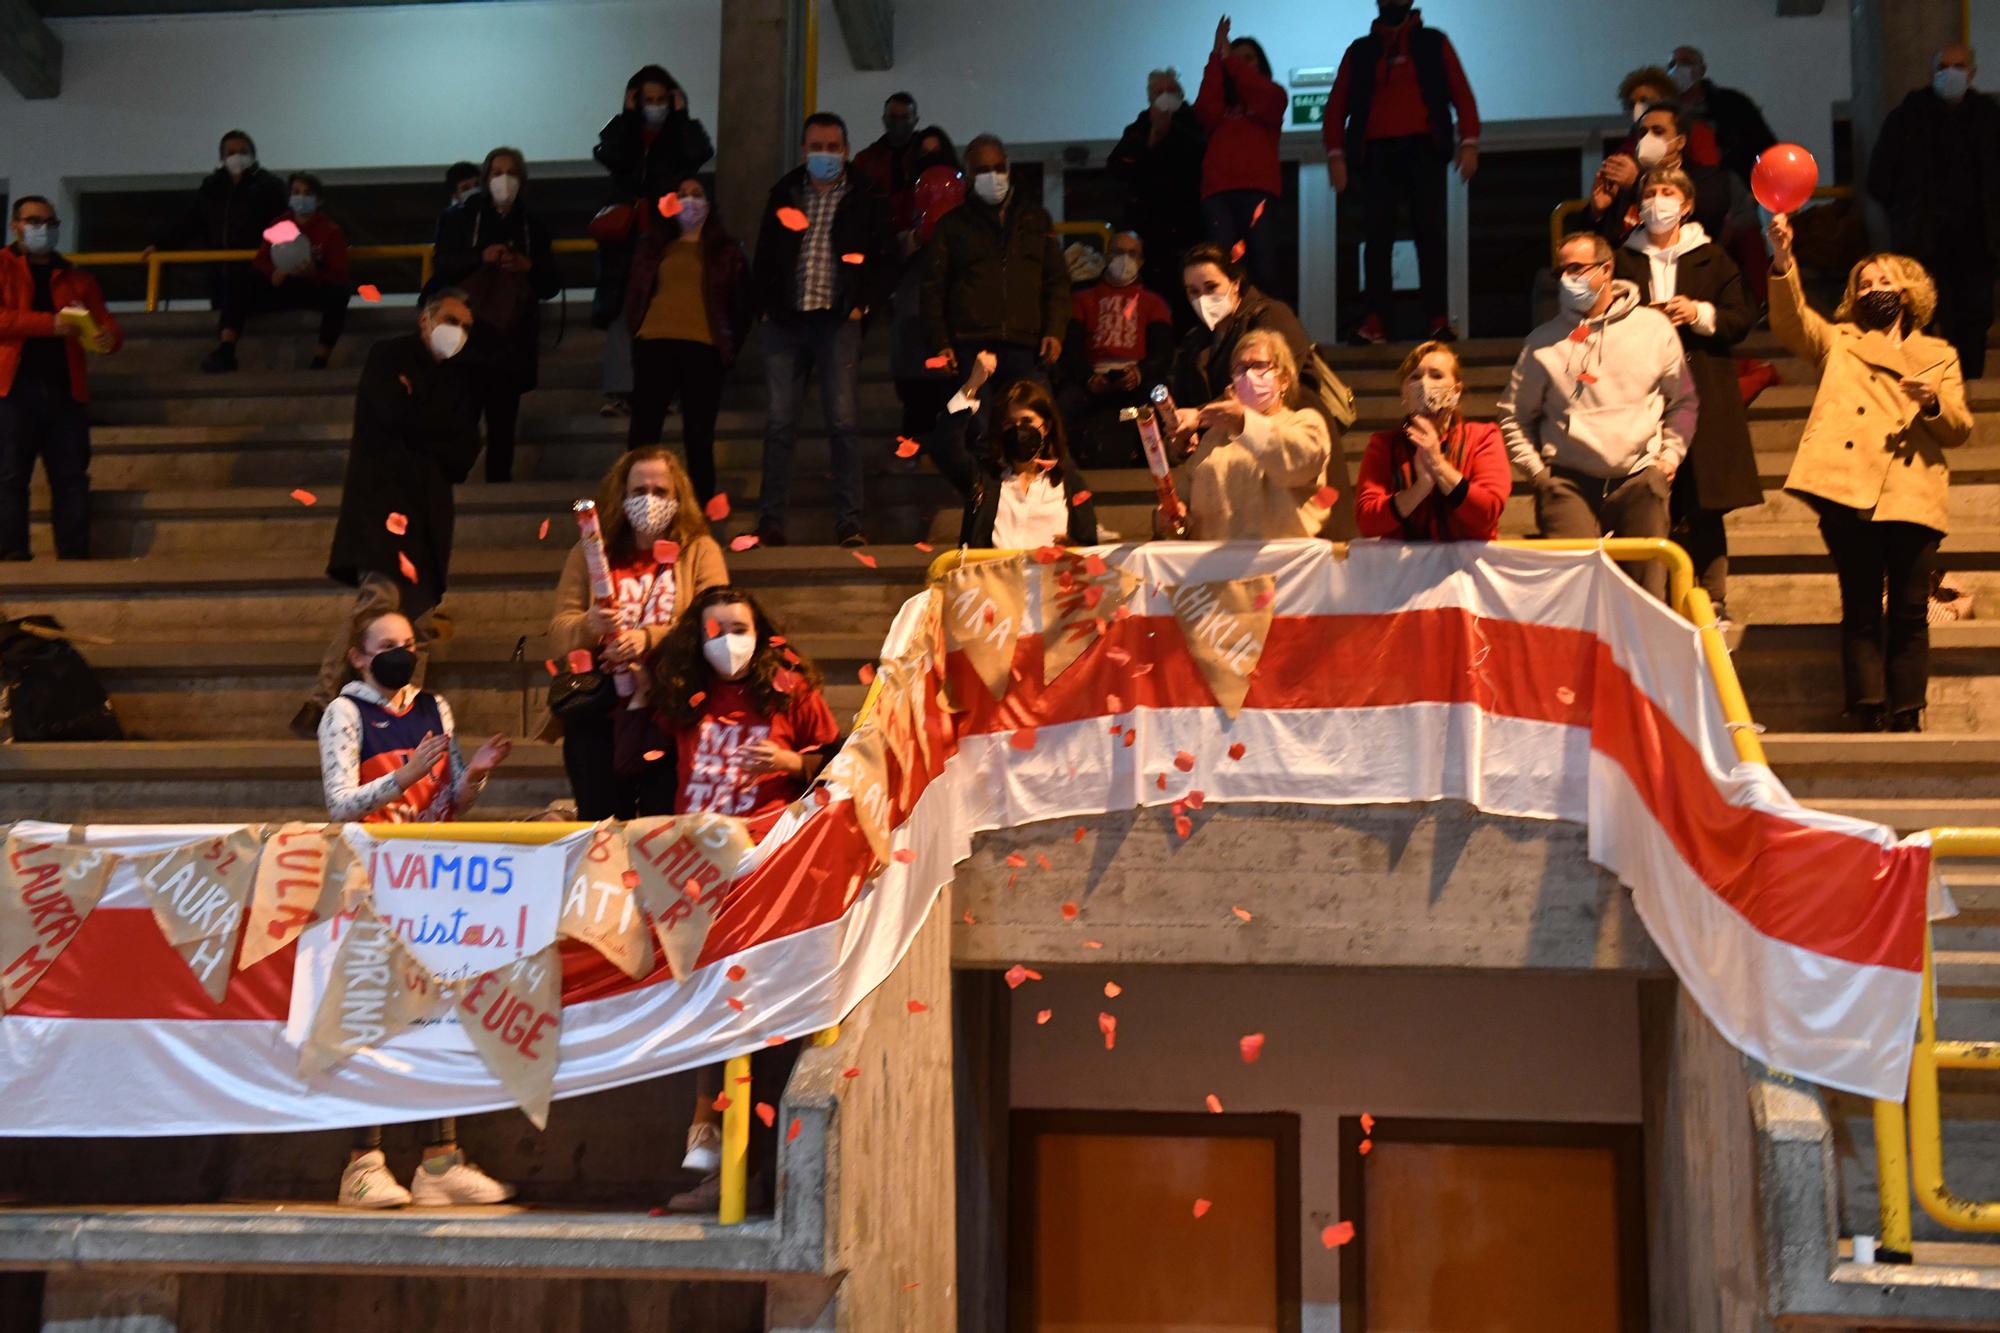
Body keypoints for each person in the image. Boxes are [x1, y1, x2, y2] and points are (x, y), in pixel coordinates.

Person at [614, 586, 840, 1214]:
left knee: (755, 1020)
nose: (726, 639)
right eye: (713, 629)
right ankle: (708, 1139)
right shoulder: (687, 689)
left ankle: (745, 1169)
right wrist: (634, 696)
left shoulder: (790, 686)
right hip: (697, 872)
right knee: (709, 1008)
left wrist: (791, 760)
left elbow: (842, 761)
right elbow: (631, 760)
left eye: (738, 627)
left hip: (768, 871)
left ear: (760, 630)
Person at [320, 606, 515, 1210]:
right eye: (386, 645)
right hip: (369, 880)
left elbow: (447, 805)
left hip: (432, 878)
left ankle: (440, 1160)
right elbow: (340, 804)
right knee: (374, 1013)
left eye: (407, 643)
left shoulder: (435, 709)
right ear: (359, 655)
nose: (400, 653)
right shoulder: (344, 713)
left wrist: (473, 778)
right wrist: (404, 775)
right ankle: (363, 1162)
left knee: (441, 1015)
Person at [1767, 213, 1972, 731]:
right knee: (1859, 604)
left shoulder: (1938, 353)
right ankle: (1865, 706)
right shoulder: (1838, 339)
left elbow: (1959, 427)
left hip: (1911, 487)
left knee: (1908, 609)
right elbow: (1793, 321)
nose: (1874, 289)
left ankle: (1906, 709)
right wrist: (1784, 260)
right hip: (1846, 485)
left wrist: (1930, 405)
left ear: (1907, 292)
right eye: (1865, 283)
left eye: (1885, 281)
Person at [293, 290, 482, 737]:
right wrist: (433, 426)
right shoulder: (389, 356)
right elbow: (389, 416)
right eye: (452, 320)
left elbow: (464, 453)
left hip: (431, 513)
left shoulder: (459, 380)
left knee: (417, 616)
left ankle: (404, 710)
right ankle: (321, 701)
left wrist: (421, 417)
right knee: (379, 601)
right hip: (385, 502)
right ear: (425, 320)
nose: (459, 332)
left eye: (467, 326)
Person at [1497, 231, 1697, 601]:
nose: (1567, 279)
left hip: (1639, 479)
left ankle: (1642, 661)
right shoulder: (1542, 341)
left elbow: (1683, 401)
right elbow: (1513, 416)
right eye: (1561, 272)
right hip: (1569, 482)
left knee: (1646, 597)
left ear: (1606, 270)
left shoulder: (1654, 329)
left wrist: (1667, 460)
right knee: (1572, 599)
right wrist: (1540, 476)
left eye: (1577, 268)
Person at [546, 447, 728, 819]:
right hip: (600, 713)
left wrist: (649, 638)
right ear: (622, 496)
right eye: (638, 491)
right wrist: (589, 625)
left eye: (660, 492)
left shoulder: (699, 550)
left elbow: (716, 624)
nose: (649, 500)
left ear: (678, 498)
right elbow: (558, 633)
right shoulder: (590, 551)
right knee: (601, 829)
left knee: (661, 830)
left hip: (671, 710)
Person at [1613, 168, 1759, 622]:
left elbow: (1741, 318)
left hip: (1704, 389)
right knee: (1648, 498)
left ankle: (1711, 598)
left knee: (1706, 500)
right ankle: (1652, 600)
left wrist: (1698, 312)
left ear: (1688, 204)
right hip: (1640, 394)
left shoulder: (1713, 258)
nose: (1659, 200)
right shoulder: (1621, 260)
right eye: (1650, 193)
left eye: (1668, 193)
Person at [750, 112, 893, 548]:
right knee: (779, 424)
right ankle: (770, 522)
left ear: (846, 150)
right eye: (817, 146)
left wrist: (861, 304)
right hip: (787, 320)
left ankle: (850, 522)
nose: (824, 154)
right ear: (803, 149)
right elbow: (766, 253)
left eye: (832, 147)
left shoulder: (866, 194)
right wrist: (766, 306)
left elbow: (884, 257)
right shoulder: (786, 190)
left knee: (844, 422)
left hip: (838, 319)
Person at [1323, 0, 1481, 345]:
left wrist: (1469, 142)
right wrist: (1336, 156)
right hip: (1376, 154)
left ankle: (1437, 319)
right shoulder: (1361, 50)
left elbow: (1461, 94)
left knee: (1429, 234)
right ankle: (1376, 321)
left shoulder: (1433, 42)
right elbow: (1336, 107)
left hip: (1424, 149)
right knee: (1376, 239)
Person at [1866, 44, 2000, 379]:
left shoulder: (1989, 119)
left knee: (1972, 323)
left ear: (1972, 73)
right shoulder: (1908, 118)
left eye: (1959, 66)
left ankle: (1966, 391)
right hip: (1922, 244)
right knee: (1919, 321)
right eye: (1943, 66)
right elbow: (1879, 179)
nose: (1950, 73)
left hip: (1977, 245)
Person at [0, 197, 122, 562]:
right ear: (15, 226)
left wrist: (107, 338)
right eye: (33, 220)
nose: (43, 228)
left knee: (71, 480)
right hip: (11, 389)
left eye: (50, 222)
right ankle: (12, 556)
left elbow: (108, 325)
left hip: (65, 392)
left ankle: (73, 558)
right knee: (9, 477)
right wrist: (49, 324)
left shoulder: (77, 277)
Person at [431, 147, 561, 484]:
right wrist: (481, 256)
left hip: (511, 338)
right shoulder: (464, 218)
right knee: (462, 419)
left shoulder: (533, 224)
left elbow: (550, 282)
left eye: (511, 172)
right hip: (468, 335)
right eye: (497, 172)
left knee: (503, 422)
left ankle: (497, 482)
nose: (504, 180)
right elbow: (443, 266)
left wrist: (526, 265)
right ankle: (452, 482)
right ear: (486, 178)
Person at [592, 65, 715, 416]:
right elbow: (611, 155)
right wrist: (629, 119)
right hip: (626, 238)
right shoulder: (623, 131)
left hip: (667, 232)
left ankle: (667, 391)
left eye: (662, 99)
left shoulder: (681, 134)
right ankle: (619, 391)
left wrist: (681, 117)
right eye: (649, 100)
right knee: (622, 311)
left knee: (666, 308)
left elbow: (699, 155)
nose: (655, 105)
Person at [624, 178, 751, 502]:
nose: (689, 201)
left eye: (697, 195)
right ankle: (634, 502)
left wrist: (730, 344)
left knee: (698, 434)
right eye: (682, 195)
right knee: (644, 430)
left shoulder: (725, 251)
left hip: (703, 346)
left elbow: (740, 303)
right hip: (655, 341)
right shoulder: (654, 244)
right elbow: (636, 290)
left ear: (709, 204)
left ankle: (699, 508)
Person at [921, 134, 1068, 393]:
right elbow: (934, 288)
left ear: (1008, 168)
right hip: (969, 346)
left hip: (1026, 345)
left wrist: (1055, 331)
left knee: (1025, 422)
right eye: (983, 170)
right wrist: (941, 342)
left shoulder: (1036, 219)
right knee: (974, 424)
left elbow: (1056, 281)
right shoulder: (952, 225)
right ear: (968, 175)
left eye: (998, 168)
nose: (993, 176)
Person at [1165, 328, 1333, 541]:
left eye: (1259, 366)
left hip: (1280, 566)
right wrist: (1174, 518)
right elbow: (1185, 503)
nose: (1249, 375)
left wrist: (1244, 422)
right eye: (1240, 368)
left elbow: (1297, 464)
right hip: (1216, 566)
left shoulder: (1304, 423)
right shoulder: (1214, 437)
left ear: (1284, 380)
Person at [151, 130, 289, 374]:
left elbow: (283, 227)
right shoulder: (212, 188)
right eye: (231, 153)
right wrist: (162, 246)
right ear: (222, 158)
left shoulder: (270, 187)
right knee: (225, 310)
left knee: (239, 303)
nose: (237, 157)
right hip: (219, 272)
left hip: (258, 271)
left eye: (243, 152)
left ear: (254, 155)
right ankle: (224, 355)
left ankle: (226, 352)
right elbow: (191, 222)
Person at [1355, 340, 1508, 541]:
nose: (1425, 384)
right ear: (1404, 392)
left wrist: (1438, 464)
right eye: (1415, 377)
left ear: (1456, 391)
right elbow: (1367, 522)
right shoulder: (1384, 445)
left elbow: (1486, 514)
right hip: (1406, 569)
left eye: (1436, 375)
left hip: (1466, 568)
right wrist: (1419, 489)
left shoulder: (1483, 437)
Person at [942, 353, 1100, 547]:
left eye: (1027, 421)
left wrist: (1072, 549)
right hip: (992, 576)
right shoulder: (984, 479)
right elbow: (945, 445)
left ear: (1047, 426)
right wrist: (972, 386)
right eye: (1010, 423)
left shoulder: (1069, 482)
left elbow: (1089, 547)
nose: (1019, 430)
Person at [217, 172, 353, 372]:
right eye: (296, 192)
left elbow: (339, 273)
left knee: (340, 293)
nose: (301, 198)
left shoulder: (331, 231)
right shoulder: (280, 225)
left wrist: (314, 273)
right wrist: (274, 272)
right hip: (280, 286)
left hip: (312, 288)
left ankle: (320, 359)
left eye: (307, 193)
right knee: (237, 282)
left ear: (319, 199)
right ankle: (226, 350)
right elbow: (260, 260)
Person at [1192, 16, 1286, 298]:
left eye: (1249, 58)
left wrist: (1229, 59)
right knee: (1222, 269)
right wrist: (1216, 58)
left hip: (1257, 192)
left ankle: (1266, 330)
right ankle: (1229, 332)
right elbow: (1204, 109)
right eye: (1236, 58)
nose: (1242, 63)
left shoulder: (1273, 95)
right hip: (1218, 193)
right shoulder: (1219, 108)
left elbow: (1265, 96)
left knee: (1263, 267)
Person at [1063, 231, 1174, 464]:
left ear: (1141, 261)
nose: (1125, 259)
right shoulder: (1081, 299)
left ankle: (1152, 463)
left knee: (1158, 402)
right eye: (1118, 252)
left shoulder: (1155, 304)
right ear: (1106, 256)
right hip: (1093, 384)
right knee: (1064, 403)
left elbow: (1162, 353)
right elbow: (1070, 350)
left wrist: (1139, 374)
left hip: (1134, 385)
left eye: (1132, 254)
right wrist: (1088, 379)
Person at [1108, 68, 1207, 320]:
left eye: (1171, 91)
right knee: (1153, 298)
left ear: (1181, 95)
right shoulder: (1138, 128)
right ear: (1149, 97)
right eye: (1158, 92)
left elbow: (1203, 159)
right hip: (1149, 231)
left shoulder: (1197, 124)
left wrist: (1170, 131)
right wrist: (1152, 138)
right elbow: (1117, 167)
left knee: (1190, 296)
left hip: (1189, 227)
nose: (1165, 96)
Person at [1589, 103, 1755, 251]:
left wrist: (1637, 184)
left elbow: (1704, 217)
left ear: (1680, 141)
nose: (1648, 138)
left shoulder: (1709, 178)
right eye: (1643, 132)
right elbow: (1603, 245)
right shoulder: (1625, 178)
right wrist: (1598, 213)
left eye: (1658, 131)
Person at [889, 129, 963, 451]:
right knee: (915, 380)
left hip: (953, 296)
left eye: (937, 152)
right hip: (914, 300)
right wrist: (914, 238)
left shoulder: (963, 197)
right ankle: (913, 446)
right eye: (925, 153)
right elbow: (888, 246)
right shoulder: (902, 197)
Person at [1666, 46, 1777, 187]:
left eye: (1686, 63)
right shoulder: (1663, 109)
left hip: (1733, 190)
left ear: (1702, 69)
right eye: (1672, 65)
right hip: (1677, 187)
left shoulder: (1733, 103)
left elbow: (1764, 146)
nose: (1677, 69)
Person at [852, 91, 927, 236]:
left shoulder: (926, 154)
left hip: (919, 235)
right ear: (884, 119)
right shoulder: (866, 159)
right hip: (876, 235)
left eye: (905, 117)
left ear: (915, 120)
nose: (899, 122)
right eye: (893, 117)